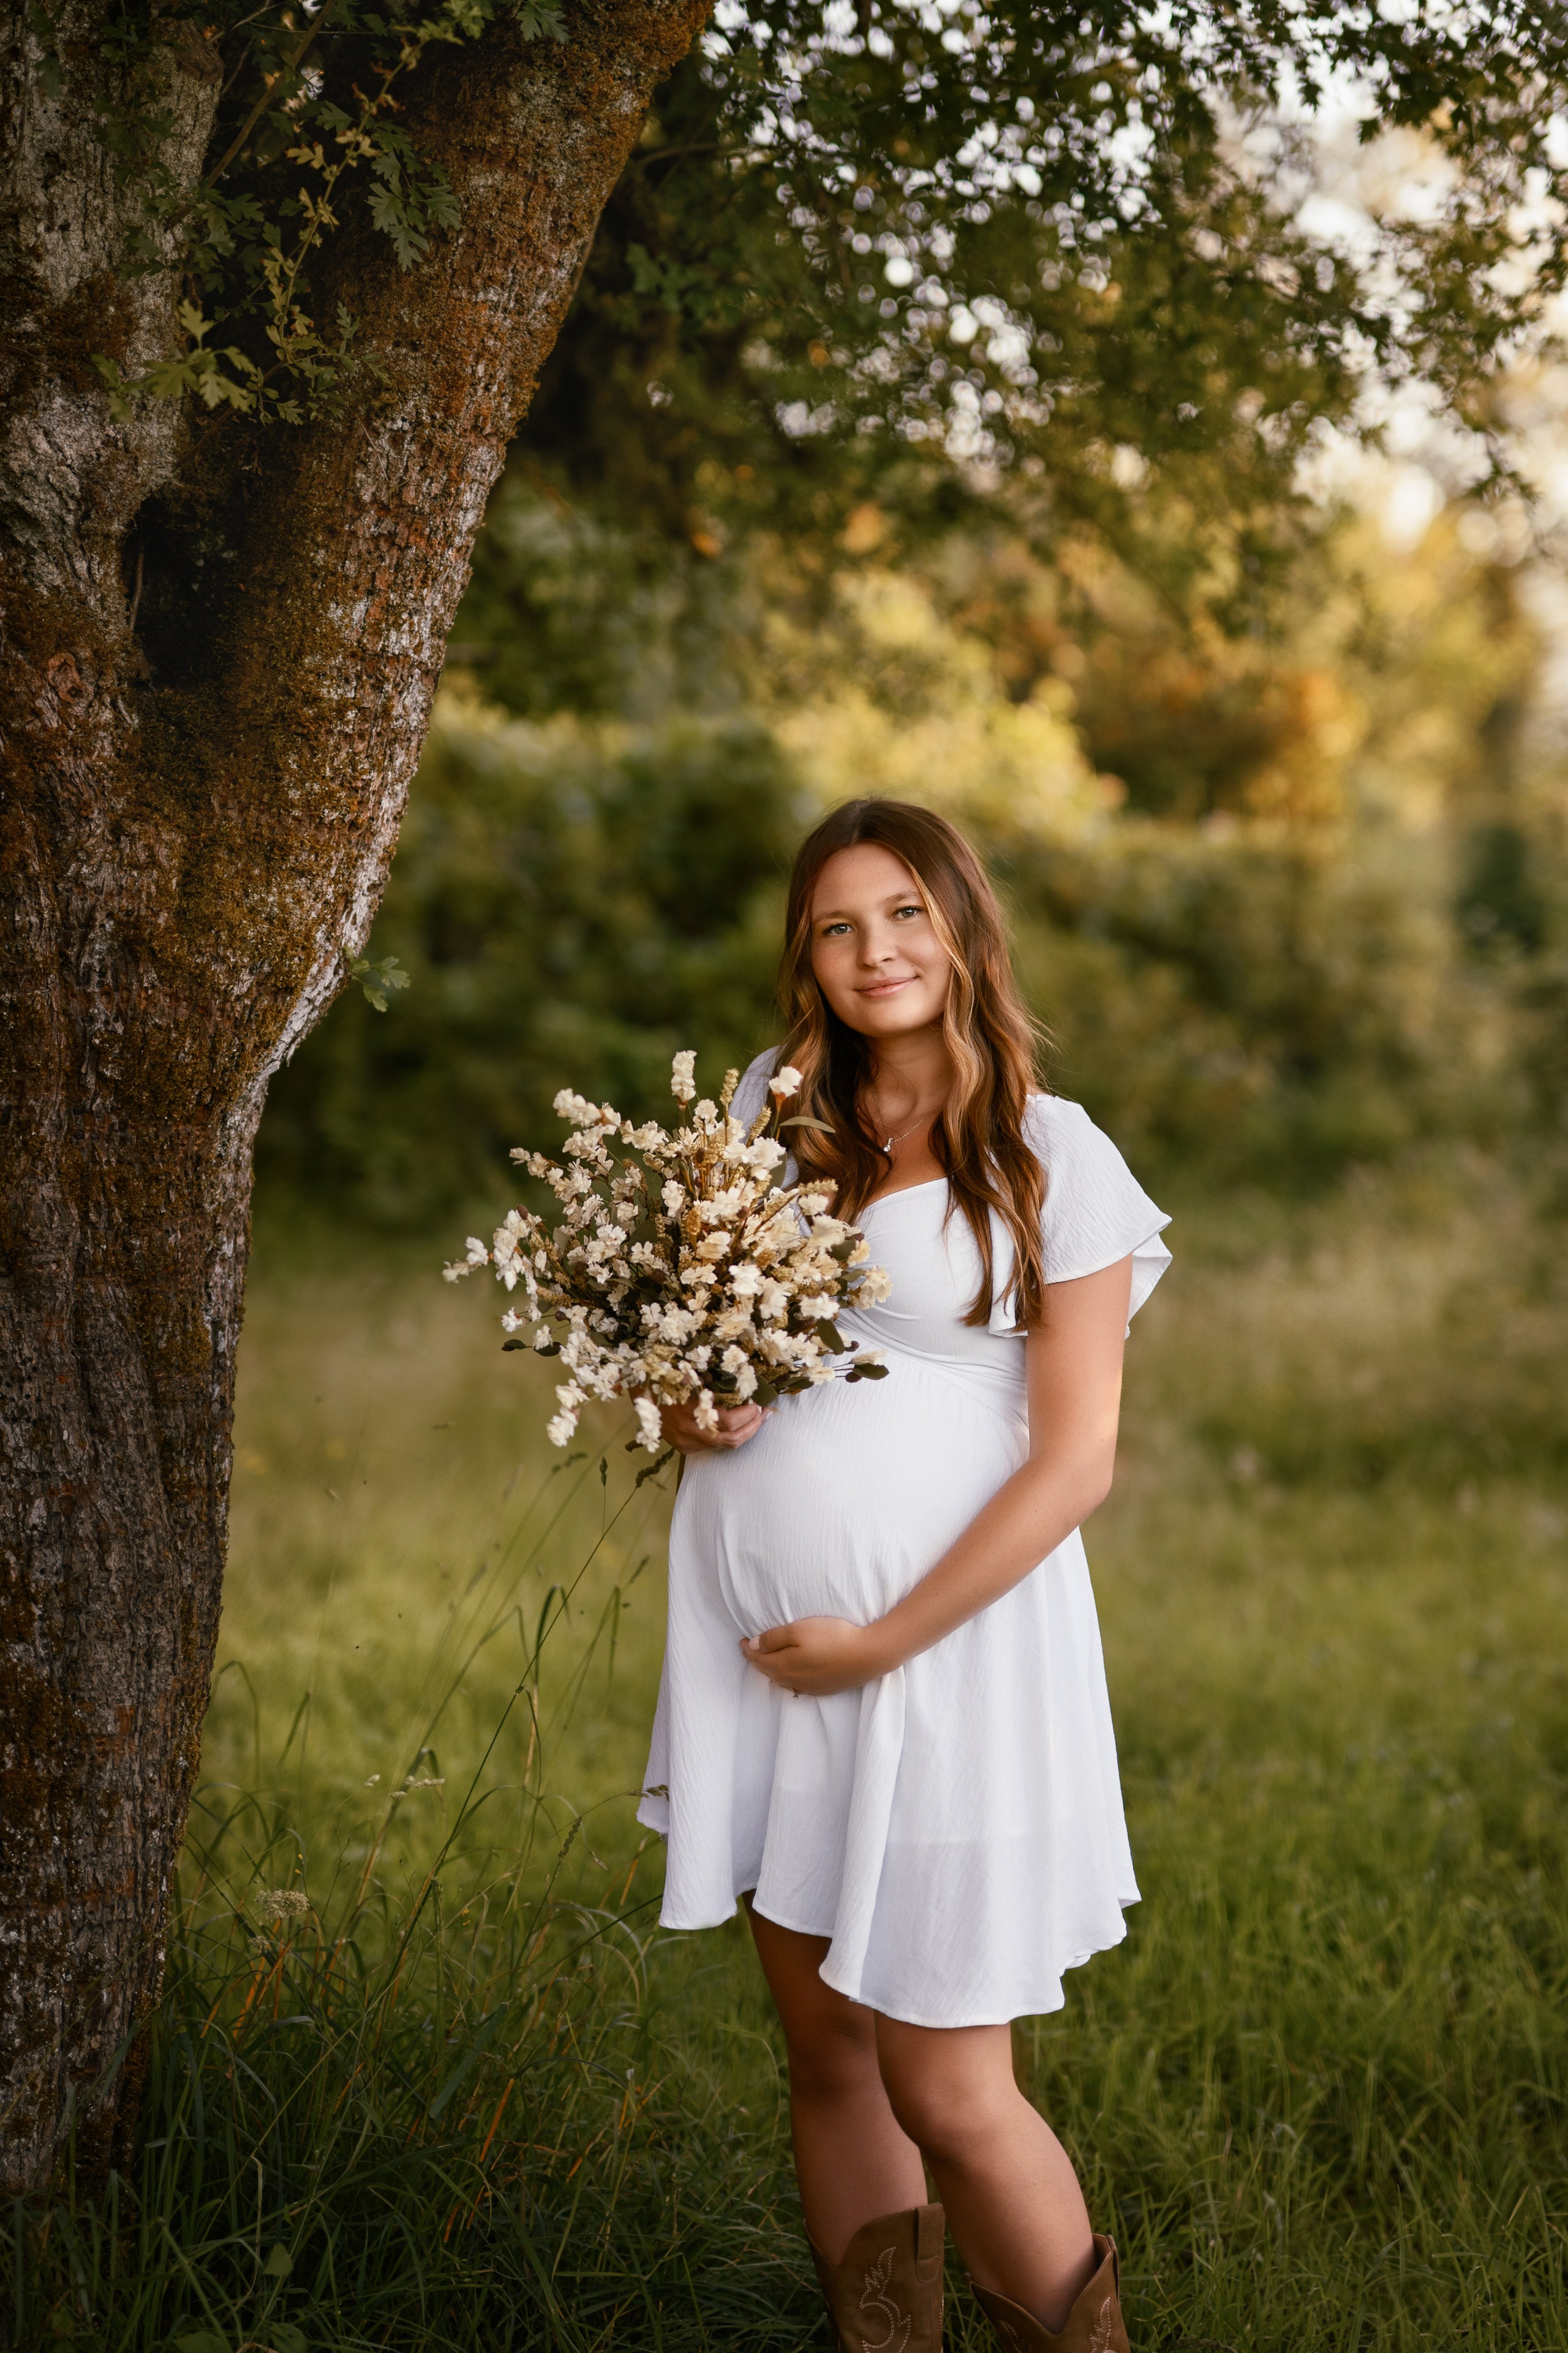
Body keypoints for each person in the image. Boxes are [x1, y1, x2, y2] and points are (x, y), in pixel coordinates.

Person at [636, 798, 1170, 2352]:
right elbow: (683, 1379)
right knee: (828, 2057)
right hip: (762, 1644)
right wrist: (696, 1399)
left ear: (961, 927)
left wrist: (880, 1640)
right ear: (804, 950)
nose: (874, 950)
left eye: (903, 915)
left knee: (948, 2076)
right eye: (835, 923)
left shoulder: (1045, 1149)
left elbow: (1073, 1460)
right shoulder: (768, 1112)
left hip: (942, 1653)